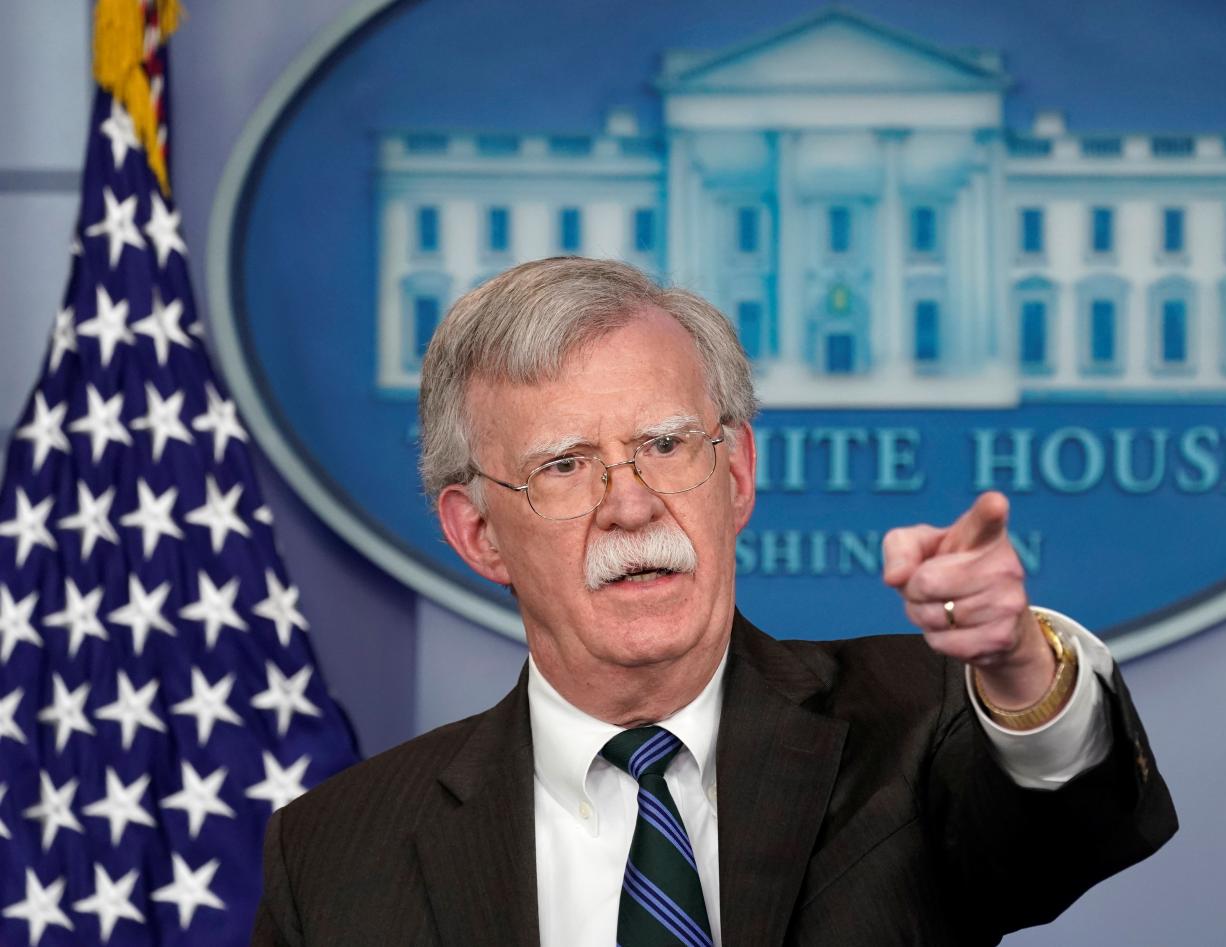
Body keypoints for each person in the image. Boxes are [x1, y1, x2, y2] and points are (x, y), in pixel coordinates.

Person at [251, 258, 1176, 946]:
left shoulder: (914, 723)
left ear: (735, 475)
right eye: (566, 465)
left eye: (665, 444)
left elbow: (1069, 831)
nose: (630, 502)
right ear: (479, 532)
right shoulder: (333, 857)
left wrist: (1016, 667)